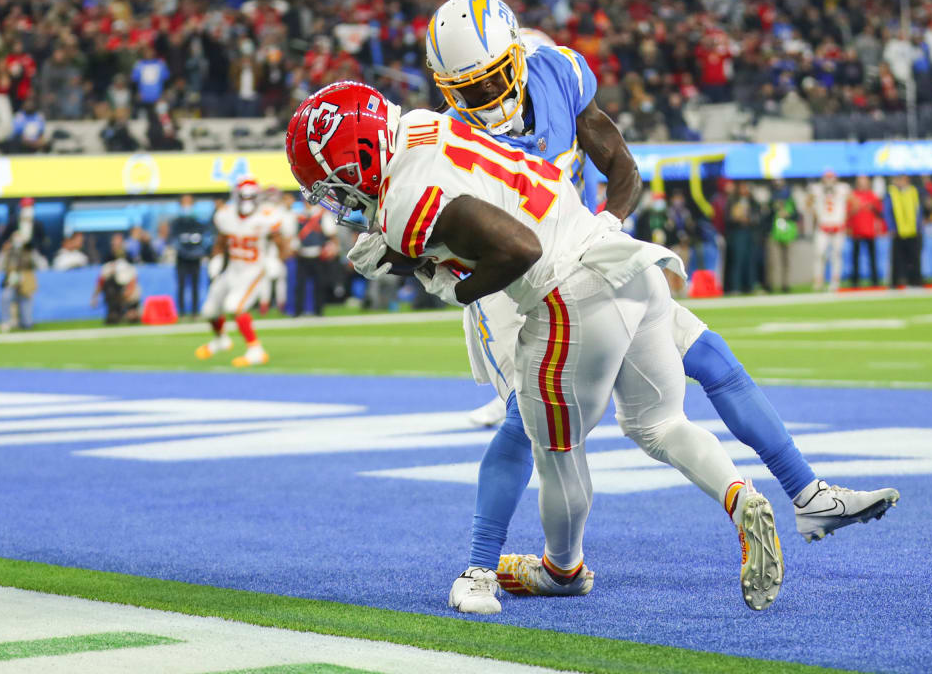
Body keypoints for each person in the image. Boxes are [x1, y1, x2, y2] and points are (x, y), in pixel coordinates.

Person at [418, 0, 897, 614]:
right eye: (468, 88)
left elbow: (619, 161)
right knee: (529, 424)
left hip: (590, 263)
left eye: (492, 80)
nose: (484, 100)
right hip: (516, 292)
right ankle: (488, 565)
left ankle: (806, 494)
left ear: (517, 57)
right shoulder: (448, 141)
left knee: (710, 360)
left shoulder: (557, 73)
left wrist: (610, 222)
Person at [291, 81, 786, 616]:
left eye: (331, 184)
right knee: (660, 424)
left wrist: (444, 283)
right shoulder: (418, 125)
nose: (336, 198)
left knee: (553, 449)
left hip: (569, 295)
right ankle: (741, 497)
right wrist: (416, 254)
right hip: (622, 259)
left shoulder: (401, 204)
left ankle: (554, 570)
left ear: (355, 159)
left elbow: (517, 249)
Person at [194, 178, 291, 367]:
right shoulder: (226, 215)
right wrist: (217, 257)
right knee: (210, 310)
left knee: (234, 307)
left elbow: (281, 243)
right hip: (232, 269)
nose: (246, 201)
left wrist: (277, 260)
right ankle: (221, 340)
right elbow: (221, 241)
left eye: (250, 197)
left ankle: (256, 350)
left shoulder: (267, 216)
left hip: (253, 270)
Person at [293, 198, 338, 316]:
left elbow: (331, 234)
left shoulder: (322, 215)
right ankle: (298, 311)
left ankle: (318, 310)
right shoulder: (299, 216)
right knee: (299, 285)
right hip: (302, 254)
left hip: (318, 254)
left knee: (320, 284)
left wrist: (331, 249)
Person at [170, 194, 211, 318]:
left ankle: (194, 312)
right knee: (181, 285)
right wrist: (183, 250)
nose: (187, 205)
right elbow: (173, 240)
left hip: (195, 258)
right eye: (184, 202)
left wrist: (198, 252)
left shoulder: (198, 222)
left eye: (189, 202)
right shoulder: (176, 223)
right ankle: (181, 312)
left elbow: (204, 239)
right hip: (182, 258)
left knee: (195, 285)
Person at [808, 171, 849, 291]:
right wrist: (815, 213)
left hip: (837, 227)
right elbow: (808, 204)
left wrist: (845, 217)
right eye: (827, 178)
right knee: (819, 254)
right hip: (823, 227)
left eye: (831, 178)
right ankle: (818, 281)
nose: (829, 180)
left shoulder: (843, 188)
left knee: (836, 256)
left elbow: (854, 202)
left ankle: (835, 281)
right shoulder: (816, 189)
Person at [885, 174, 923, 288]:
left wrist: (918, 226)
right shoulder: (892, 193)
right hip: (898, 231)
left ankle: (915, 281)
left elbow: (918, 210)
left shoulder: (913, 191)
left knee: (914, 258)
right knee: (897, 259)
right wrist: (891, 227)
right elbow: (887, 211)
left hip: (912, 230)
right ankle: (897, 281)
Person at [93, 235, 142, 324]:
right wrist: (95, 297)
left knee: (133, 313)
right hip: (115, 294)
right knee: (110, 287)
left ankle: (131, 311)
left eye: (119, 245)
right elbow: (101, 281)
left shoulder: (128, 262)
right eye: (114, 245)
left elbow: (133, 278)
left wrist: (129, 290)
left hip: (128, 291)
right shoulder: (108, 265)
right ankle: (115, 313)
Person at [847, 175, 883, 287]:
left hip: (870, 231)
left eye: (865, 182)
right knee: (855, 258)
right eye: (861, 182)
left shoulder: (872, 195)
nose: (863, 184)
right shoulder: (853, 196)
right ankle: (855, 281)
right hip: (857, 231)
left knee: (872, 257)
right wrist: (856, 208)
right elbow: (847, 213)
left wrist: (872, 207)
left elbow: (880, 211)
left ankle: (874, 280)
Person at [0, 231, 37, 331]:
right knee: (5, 297)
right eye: (16, 238)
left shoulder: (28, 251)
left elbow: (42, 265)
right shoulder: (8, 252)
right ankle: (5, 321)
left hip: (25, 281)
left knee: (27, 322)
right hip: (12, 280)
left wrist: (32, 251)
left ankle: (25, 321)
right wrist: (3, 252)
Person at [768, 182, 799, 292]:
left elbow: (797, 216)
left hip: (787, 234)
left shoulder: (791, 202)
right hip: (775, 234)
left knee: (786, 262)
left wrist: (788, 215)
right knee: (773, 262)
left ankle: (785, 284)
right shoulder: (771, 201)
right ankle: (771, 285)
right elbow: (767, 217)